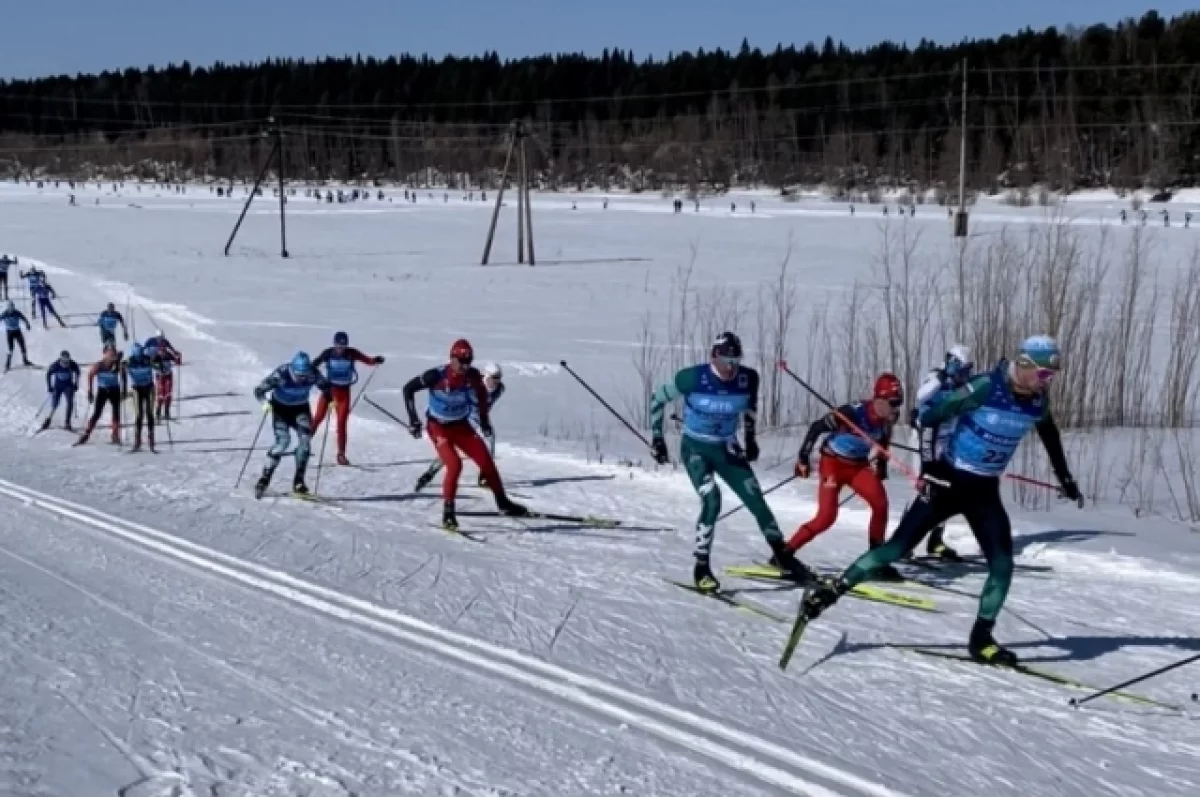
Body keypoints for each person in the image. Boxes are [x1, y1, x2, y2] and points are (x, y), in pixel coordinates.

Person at [793, 335, 1082, 666]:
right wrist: (929, 467)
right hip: (949, 480)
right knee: (896, 549)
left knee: (1002, 566)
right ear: (1027, 365)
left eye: (1052, 376)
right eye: (1045, 374)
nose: (1048, 382)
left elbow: (1050, 434)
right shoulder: (985, 387)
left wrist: (1066, 477)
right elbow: (928, 416)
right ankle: (830, 592)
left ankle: (981, 638)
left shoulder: (1037, 401)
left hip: (984, 490)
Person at [648, 331, 801, 592]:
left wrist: (751, 439)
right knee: (712, 499)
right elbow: (657, 399)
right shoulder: (693, 377)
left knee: (756, 499)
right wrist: (657, 438)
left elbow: (750, 409)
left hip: (727, 448)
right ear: (713, 357)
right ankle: (701, 567)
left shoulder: (748, 378)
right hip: (696, 447)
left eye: (735, 361)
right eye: (725, 362)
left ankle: (782, 554)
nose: (731, 368)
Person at [782, 372, 904, 581]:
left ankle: (875, 560)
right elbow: (816, 427)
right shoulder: (853, 413)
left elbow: (882, 441)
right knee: (826, 518)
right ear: (879, 399)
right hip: (833, 464)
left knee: (880, 504)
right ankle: (784, 554)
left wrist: (881, 465)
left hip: (858, 466)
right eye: (893, 402)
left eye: (899, 402)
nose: (896, 408)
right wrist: (803, 458)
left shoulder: (886, 419)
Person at [402, 339, 527, 530]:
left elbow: (483, 399)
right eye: (461, 361)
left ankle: (503, 503)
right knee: (455, 464)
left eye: (468, 361)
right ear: (452, 358)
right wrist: (414, 420)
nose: (464, 366)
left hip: (462, 426)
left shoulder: (473, 376)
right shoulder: (435, 376)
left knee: (486, 462)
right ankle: (449, 512)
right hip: (439, 427)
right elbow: (408, 389)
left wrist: (484, 422)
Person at [907, 345, 974, 560]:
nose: (965, 375)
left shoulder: (962, 386)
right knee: (923, 490)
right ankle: (904, 541)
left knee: (946, 491)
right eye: (962, 369)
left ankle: (936, 539)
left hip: (946, 443)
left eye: (968, 370)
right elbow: (921, 395)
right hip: (924, 441)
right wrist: (944, 376)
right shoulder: (936, 377)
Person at [252, 352, 332, 498]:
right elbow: (259, 390)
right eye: (299, 375)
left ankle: (299, 481)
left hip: (300, 409)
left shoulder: (312, 373)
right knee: (283, 442)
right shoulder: (281, 374)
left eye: (304, 375)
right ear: (292, 370)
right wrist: (264, 403)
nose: (302, 379)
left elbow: (325, 386)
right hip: (280, 409)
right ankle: (265, 477)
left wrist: (329, 398)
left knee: (305, 441)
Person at [415, 361, 504, 491]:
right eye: (493, 378)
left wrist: (484, 420)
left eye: (498, 378)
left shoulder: (500, 389)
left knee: (490, 440)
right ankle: (429, 474)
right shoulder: (472, 384)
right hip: (462, 419)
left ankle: (485, 476)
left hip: (479, 420)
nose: (496, 381)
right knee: (450, 450)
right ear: (485, 376)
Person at [311, 330, 384, 466]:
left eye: (343, 346)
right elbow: (313, 365)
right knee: (318, 418)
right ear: (334, 344)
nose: (341, 349)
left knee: (341, 423)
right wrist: (316, 376)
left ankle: (341, 454)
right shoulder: (328, 353)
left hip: (344, 394)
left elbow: (367, 360)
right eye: (338, 346)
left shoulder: (352, 353)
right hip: (329, 392)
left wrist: (376, 360)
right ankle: (304, 445)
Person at [76, 344, 127, 446]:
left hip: (114, 390)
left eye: (113, 354)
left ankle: (115, 435)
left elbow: (123, 377)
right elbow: (90, 375)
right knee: (97, 413)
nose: (111, 356)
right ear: (105, 354)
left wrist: (124, 390)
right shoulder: (99, 365)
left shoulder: (117, 365)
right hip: (102, 390)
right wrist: (90, 391)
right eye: (109, 354)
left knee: (116, 412)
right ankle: (86, 434)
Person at [125, 343, 158, 452]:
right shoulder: (129, 361)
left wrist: (158, 363)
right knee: (139, 414)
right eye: (137, 354)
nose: (139, 357)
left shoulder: (147, 359)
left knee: (149, 413)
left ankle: (151, 441)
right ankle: (137, 441)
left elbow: (157, 365)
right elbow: (118, 368)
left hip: (149, 388)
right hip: (137, 389)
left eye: (140, 354)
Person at [143, 330, 181, 422]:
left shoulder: (168, 354)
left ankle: (167, 412)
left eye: (164, 349)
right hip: (159, 376)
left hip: (168, 376)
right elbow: (149, 363)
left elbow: (177, 362)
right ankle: (158, 412)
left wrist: (177, 357)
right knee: (160, 394)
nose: (162, 351)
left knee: (168, 393)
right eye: (161, 350)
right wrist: (155, 365)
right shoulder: (156, 356)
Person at [41, 350, 80, 431]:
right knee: (55, 403)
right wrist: (49, 386)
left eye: (67, 361)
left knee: (70, 403)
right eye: (64, 361)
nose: (65, 364)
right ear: (60, 360)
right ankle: (48, 419)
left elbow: (77, 372)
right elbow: (48, 374)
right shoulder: (55, 365)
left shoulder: (72, 364)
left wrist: (76, 383)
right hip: (57, 386)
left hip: (68, 386)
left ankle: (67, 422)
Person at [1, 300, 32, 371]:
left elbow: (24, 318)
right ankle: (7, 364)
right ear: (8, 308)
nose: (11, 310)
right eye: (10, 308)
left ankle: (25, 360)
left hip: (17, 331)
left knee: (22, 346)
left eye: (12, 308)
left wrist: (27, 324)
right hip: (10, 333)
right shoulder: (5, 313)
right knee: (10, 349)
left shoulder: (17, 312)